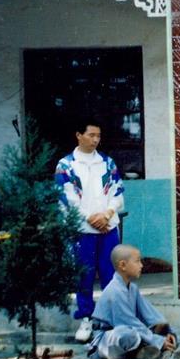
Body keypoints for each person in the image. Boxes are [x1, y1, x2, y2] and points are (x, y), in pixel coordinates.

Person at [55, 118, 125, 342]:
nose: (96, 140)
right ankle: (86, 319)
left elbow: (118, 193)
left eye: (98, 136)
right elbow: (66, 199)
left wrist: (106, 215)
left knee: (111, 274)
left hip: (108, 229)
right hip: (81, 230)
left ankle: (108, 320)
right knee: (83, 275)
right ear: (78, 135)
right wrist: (90, 218)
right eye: (91, 135)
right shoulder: (65, 165)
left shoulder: (107, 163)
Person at [87, 244, 178, 359]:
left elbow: (150, 313)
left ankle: (139, 350)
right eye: (137, 261)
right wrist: (159, 341)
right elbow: (128, 322)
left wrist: (168, 333)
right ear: (123, 265)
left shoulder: (132, 288)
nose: (141, 265)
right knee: (126, 334)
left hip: (131, 332)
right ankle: (139, 349)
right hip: (106, 340)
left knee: (154, 325)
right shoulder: (115, 291)